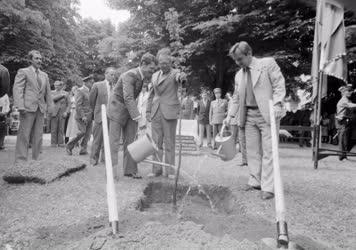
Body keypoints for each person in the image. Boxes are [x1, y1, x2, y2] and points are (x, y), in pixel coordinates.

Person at [224, 41, 286, 200]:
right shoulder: (239, 75)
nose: (238, 63)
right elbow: (236, 98)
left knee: (269, 150)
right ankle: (255, 181)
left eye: (239, 59)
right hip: (248, 115)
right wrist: (230, 115)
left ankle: (268, 187)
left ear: (249, 54)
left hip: (267, 114)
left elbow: (279, 84)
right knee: (251, 151)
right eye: (235, 60)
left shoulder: (268, 64)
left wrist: (278, 103)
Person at [107, 53, 157, 179]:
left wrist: (135, 116)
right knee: (114, 141)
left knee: (130, 140)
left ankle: (130, 170)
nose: (152, 72)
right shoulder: (130, 74)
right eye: (151, 69)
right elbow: (128, 97)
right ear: (143, 64)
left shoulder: (142, 77)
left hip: (129, 108)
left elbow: (131, 100)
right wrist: (139, 118)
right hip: (116, 107)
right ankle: (112, 172)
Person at [146, 49, 187, 178]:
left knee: (169, 142)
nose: (163, 65)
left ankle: (170, 171)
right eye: (161, 63)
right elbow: (151, 95)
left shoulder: (175, 73)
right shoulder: (154, 75)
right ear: (158, 63)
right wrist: (148, 110)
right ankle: (156, 169)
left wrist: (182, 78)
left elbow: (180, 80)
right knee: (156, 142)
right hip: (155, 111)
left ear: (170, 63)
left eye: (166, 63)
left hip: (169, 111)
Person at [13, 50, 53, 162]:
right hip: (27, 108)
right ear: (30, 60)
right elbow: (18, 89)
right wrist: (20, 105)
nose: (39, 61)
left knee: (38, 136)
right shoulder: (23, 71)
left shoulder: (44, 75)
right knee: (24, 136)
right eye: (36, 58)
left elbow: (48, 93)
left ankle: (37, 160)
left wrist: (50, 107)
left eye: (40, 59)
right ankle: (20, 161)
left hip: (40, 109)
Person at [89, 67, 116, 166]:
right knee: (97, 139)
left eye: (114, 75)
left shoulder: (116, 87)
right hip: (100, 117)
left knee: (108, 140)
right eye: (111, 74)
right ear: (106, 74)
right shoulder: (97, 85)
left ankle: (104, 159)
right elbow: (91, 101)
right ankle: (93, 159)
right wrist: (97, 112)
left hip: (111, 117)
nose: (113, 77)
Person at [66, 77, 93, 156]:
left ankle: (83, 149)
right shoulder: (80, 91)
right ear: (86, 83)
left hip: (90, 116)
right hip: (81, 116)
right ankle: (69, 146)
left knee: (87, 134)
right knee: (82, 132)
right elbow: (78, 105)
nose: (92, 83)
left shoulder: (91, 91)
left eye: (92, 82)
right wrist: (83, 116)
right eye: (91, 82)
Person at [226, 91, 247, 166]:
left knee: (242, 139)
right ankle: (235, 152)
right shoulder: (231, 102)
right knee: (237, 138)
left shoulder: (241, 99)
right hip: (235, 121)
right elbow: (231, 110)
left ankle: (244, 156)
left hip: (241, 121)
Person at [335, 85, 356, 161]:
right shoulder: (344, 100)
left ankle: (343, 154)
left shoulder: (347, 99)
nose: (351, 93)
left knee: (347, 139)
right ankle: (341, 155)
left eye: (351, 91)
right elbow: (350, 105)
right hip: (342, 121)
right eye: (349, 91)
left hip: (345, 121)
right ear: (345, 92)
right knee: (343, 138)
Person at [50, 81, 70, 147]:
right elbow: (53, 99)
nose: (56, 87)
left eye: (58, 85)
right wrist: (62, 95)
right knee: (53, 128)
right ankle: (53, 143)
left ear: (61, 86)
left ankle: (61, 143)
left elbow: (69, 104)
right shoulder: (52, 92)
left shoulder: (66, 93)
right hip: (54, 112)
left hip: (62, 112)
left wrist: (66, 112)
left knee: (61, 128)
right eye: (55, 85)